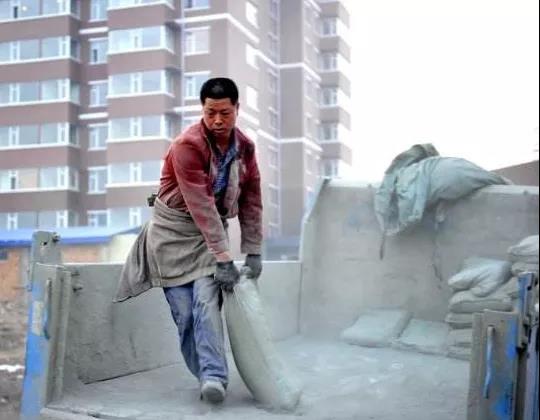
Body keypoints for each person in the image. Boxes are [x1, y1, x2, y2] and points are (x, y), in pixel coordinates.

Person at [115, 77, 263, 404]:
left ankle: (214, 377)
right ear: (202, 110)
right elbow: (200, 203)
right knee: (185, 315)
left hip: (208, 239)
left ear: (237, 109)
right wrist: (224, 257)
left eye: (225, 113)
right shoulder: (187, 145)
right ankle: (203, 375)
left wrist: (253, 250)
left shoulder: (245, 149)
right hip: (171, 235)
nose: (218, 120)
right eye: (211, 113)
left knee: (206, 304)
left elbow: (251, 198)